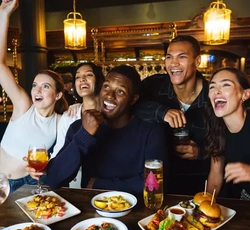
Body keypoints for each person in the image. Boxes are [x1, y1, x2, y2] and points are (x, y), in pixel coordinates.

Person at [45, 65, 167, 195]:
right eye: (106, 87)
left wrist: (99, 184)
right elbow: (54, 180)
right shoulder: (79, 128)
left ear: (133, 99)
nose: (109, 96)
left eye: (120, 91)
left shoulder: (151, 131)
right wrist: (84, 135)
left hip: (137, 210)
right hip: (92, 210)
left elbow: (154, 183)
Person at [0, 0, 68, 193]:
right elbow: (0, 65)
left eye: (45, 86)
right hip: (1, 183)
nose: (37, 90)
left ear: (58, 95)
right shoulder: (24, 105)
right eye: (34, 85)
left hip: (29, 185)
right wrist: (4, 15)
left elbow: (60, 157)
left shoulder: (60, 122)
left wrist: (46, 170)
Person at [134, 35, 210, 195]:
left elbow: (230, 139)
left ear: (197, 61)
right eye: (169, 57)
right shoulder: (152, 85)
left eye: (182, 57)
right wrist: (162, 112)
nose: (173, 63)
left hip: (200, 182)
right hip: (157, 179)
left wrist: (202, 151)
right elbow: (130, 105)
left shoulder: (212, 95)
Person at [205, 67, 250, 200]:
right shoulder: (217, 127)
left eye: (226, 85)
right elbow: (216, 174)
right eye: (212, 87)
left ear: (245, 94)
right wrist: (205, 205)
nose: (217, 91)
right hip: (240, 204)